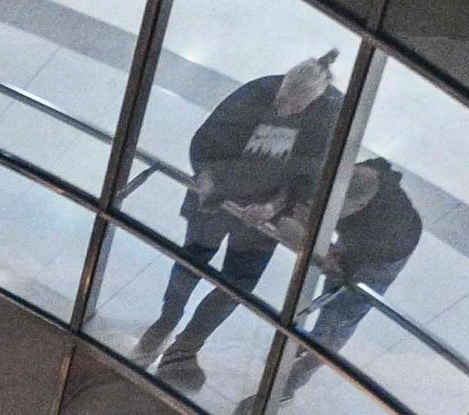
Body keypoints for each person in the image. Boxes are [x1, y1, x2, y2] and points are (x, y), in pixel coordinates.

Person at [141, 51, 351, 384]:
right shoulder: (257, 93)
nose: (283, 109)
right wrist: (207, 178)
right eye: (282, 100)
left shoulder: (326, 119)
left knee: (237, 283)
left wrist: (275, 207)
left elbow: (311, 176)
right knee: (193, 259)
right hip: (219, 200)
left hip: (262, 218)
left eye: (295, 107)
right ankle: (166, 321)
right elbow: (208, 139)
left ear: (314, 99)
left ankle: (188, 342)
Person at [299, 155, 424, 355]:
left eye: (338, 209)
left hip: (383, 257)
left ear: (360, 205)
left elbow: (352, 265)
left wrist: (334, 258)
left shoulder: (389, 226)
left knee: (347, 309)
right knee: (332, 290)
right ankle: (317, 339)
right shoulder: (350, 179)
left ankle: (315, 358)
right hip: (360, 237)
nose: (332, 212)